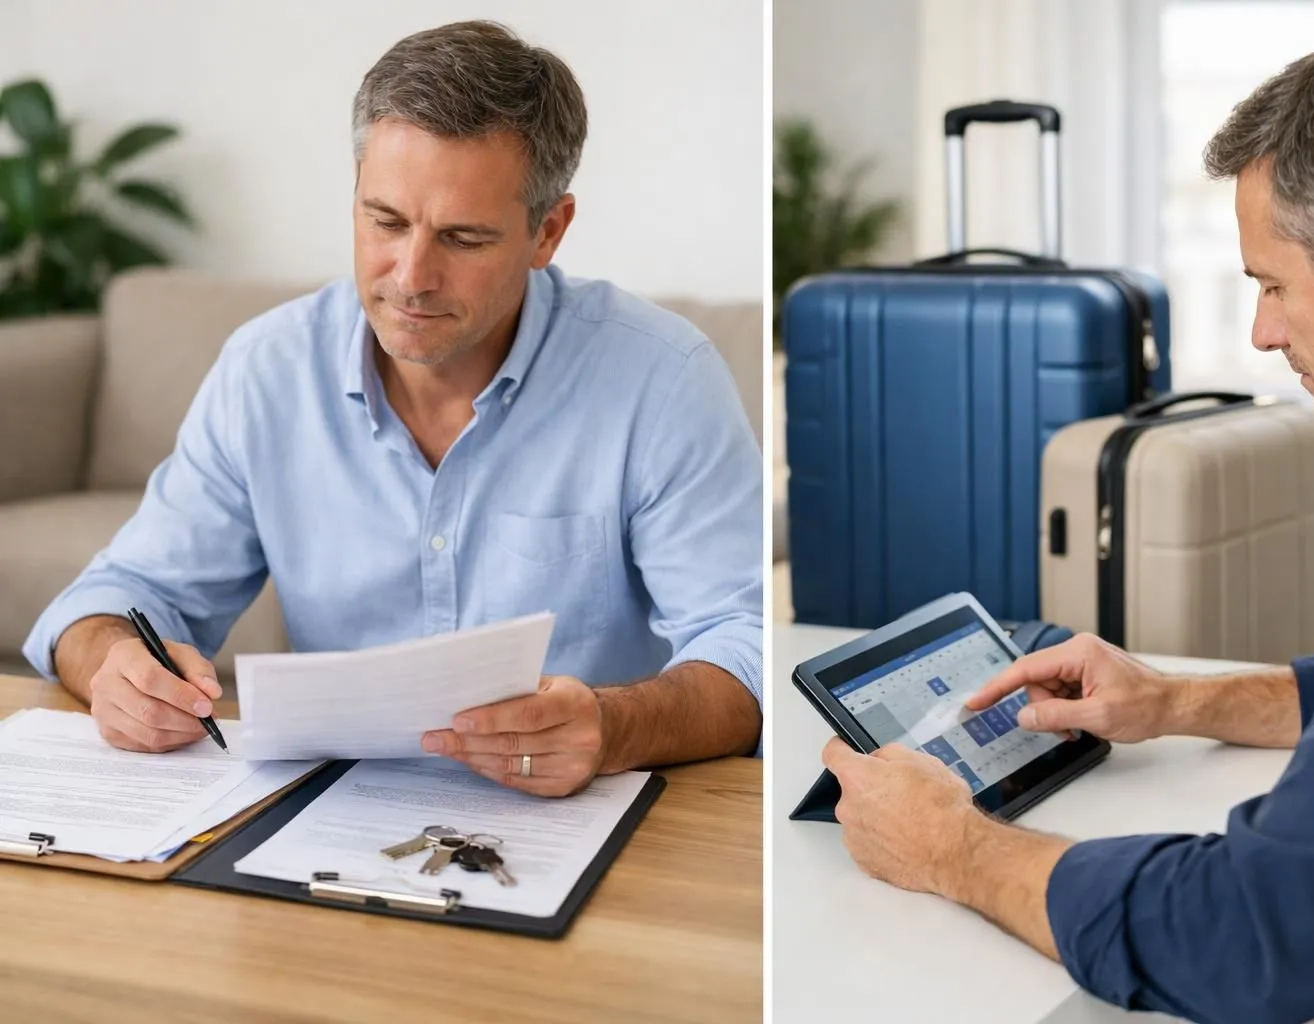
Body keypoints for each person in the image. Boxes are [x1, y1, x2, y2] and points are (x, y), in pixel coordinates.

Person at [822, 33, 1314, 1024]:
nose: (1263, 333)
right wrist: (1175, 700)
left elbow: (1260, 935)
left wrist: (953, 845)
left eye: (1271, 284)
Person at [23, 20, 762, 797]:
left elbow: (742, 648)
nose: (411, 276)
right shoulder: (267, 371)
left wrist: (614, 728)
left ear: (548, 231)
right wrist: (113, 664)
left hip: (587, 818)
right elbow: (122, 596)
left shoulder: (662, 379)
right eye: (386, 221)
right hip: (324, 816)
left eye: (464, 238)